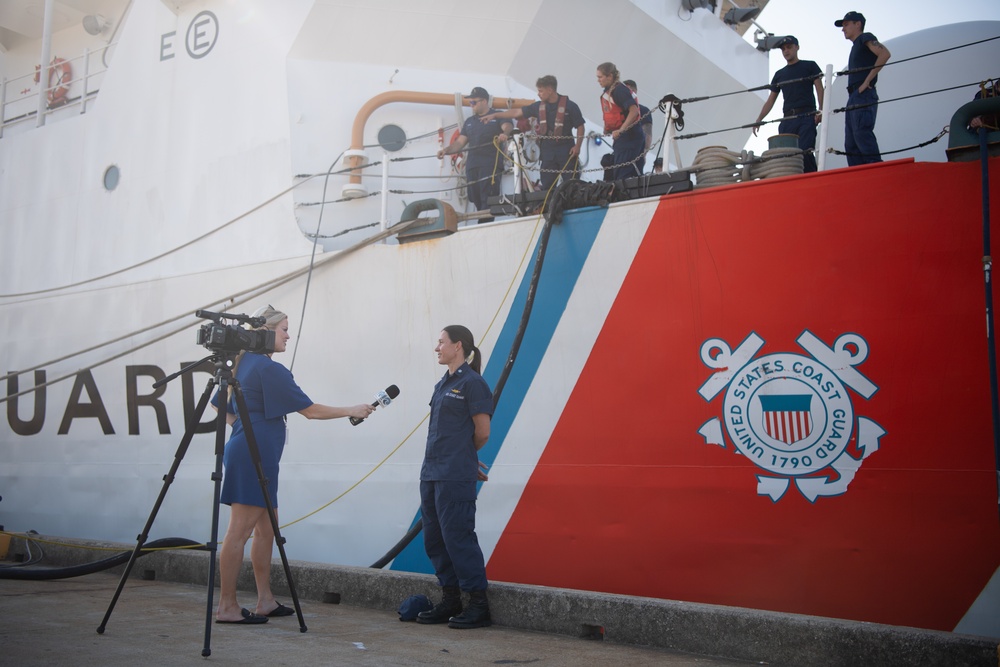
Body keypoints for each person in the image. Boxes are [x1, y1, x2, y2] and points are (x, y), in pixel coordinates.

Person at [211, 305, 374, 624]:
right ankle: (227, 606)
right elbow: (310, 411)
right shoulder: (268, 368)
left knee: (266, 530)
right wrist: (352, 409)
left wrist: (242, 427)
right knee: (239, 531)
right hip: (255, 455)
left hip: (252, 450)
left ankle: (265, 600)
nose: (289, 334)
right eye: (284, 328)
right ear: (266, 330)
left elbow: (221, 407)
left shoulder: (242, 363)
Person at [416, 325, 494, 630]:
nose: (437, 347)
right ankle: (450, 599)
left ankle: (478, 604)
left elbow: (482, 431)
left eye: (441, 342)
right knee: (434, 539)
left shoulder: (474, 384)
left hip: (453, 474)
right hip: (432, 473)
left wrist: (465, 458)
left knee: (458, 537)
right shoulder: (442, 385)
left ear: (457, 345)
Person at [480, 75, 585, 192]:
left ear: (550, 90)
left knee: (571, 183)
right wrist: (495, 115)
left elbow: (580, 126)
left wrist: (578, 146)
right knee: (547, 185)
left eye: (540, 91)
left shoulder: (570, 106)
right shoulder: (537, 107)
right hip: (548, 152)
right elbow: (516, 112)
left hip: (566, 151)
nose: (538, 94)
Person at [752, 36, 824, 173]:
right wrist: (759, 119)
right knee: (787, 157)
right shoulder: (780, 74)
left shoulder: (810, 66)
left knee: (805, 152)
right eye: (783, 49)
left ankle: (812, 180)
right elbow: (771, 100)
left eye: (789, 47)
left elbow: (819, 89)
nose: (786, 51)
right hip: (787, 120)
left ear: (797, 47)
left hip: (806, 116)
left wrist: (821, 111)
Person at [438, 87, 514, 212]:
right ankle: (482, 221)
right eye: (470, 102)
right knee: (475, 198)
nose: (471, 105)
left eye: (473, 102)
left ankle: (485, 224)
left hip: (490, 165)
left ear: (484, 101)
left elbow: (507, 125)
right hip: (472, 165)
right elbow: (460, 142)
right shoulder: (469, 122)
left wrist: (505, 133)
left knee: (488, 199)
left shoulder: (498, 115)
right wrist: (446, 150)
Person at [836, 11, 891, 166]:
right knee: (851, 141)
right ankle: (858, 174)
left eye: (846, 24)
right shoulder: (856, 46)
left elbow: (884, 53)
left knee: (861, 133)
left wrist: (868, 80)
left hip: (862, 94)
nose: (843, 29)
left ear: (858, 24)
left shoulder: (865, 38)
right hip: (853, 96)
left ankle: (875, 168)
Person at [597, 62, 644, 181]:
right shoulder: (610, 92)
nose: (598, 80)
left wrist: (621, 130)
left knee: (623, 172)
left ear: (610, 76)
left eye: (600, 77)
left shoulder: (619, 91)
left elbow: (634, 111)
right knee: (620, 170)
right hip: (623, 138)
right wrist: (608, 129)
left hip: (629, 137)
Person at [623, 80, 653, 173]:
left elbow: (648, 134)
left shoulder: (643, 110)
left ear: (634, 91)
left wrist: (643, 154)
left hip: (635, 153)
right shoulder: (620, 110)